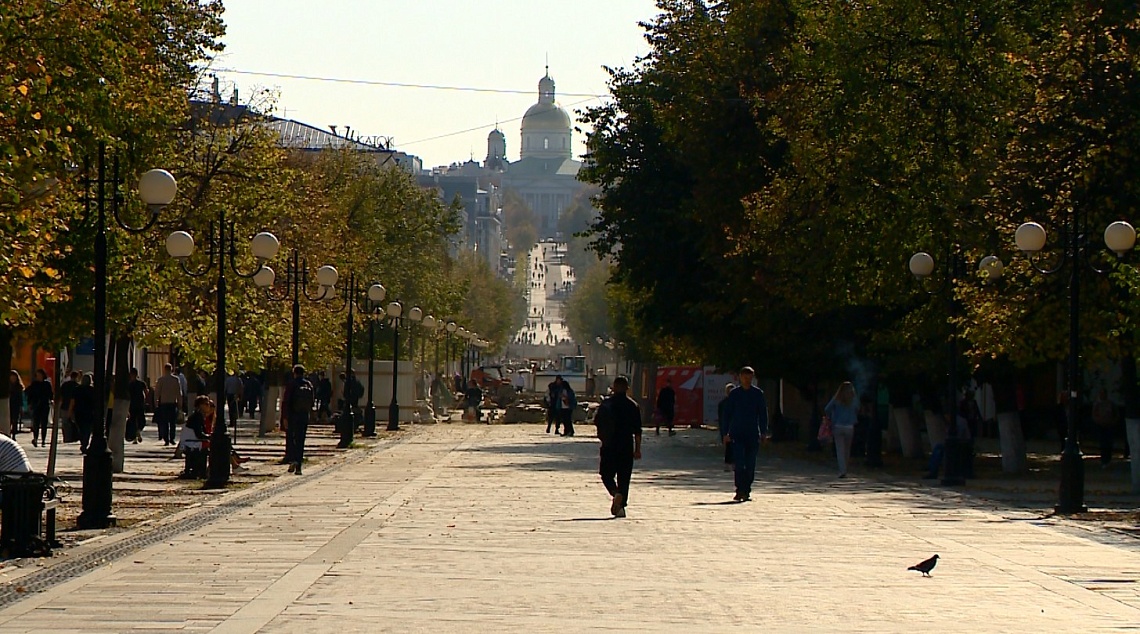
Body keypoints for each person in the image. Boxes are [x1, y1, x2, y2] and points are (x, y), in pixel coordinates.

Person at [595, 376, 642, 518]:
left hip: (609, 445)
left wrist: (602, 437)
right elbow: (638, 430)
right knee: (624, 477)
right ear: (627, 389)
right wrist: (637, 449)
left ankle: (615, 493)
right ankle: (620, 507)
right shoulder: (633, 405)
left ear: (614, 387)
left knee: (606, 474)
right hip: (626, 445)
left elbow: (598, 423)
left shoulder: (606, 404)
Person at [721, 366, 768, 502]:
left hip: (752, 434)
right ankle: (739, 489)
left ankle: (746, 489)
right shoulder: (735, 394)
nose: (747, 380)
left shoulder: (757, 394)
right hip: (737, 434)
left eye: (750, 377)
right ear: (740, 377)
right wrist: (725, 433)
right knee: (739, 463)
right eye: (745, 377)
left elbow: (763, 414)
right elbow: (727, 415)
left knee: (750, 464)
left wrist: (764, 431)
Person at [281, 364, 314, 475]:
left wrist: (285, 417)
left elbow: (286, 402)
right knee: (301, 440)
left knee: (292, 439)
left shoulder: (291, 384)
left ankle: (293, 460)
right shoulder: (308, 384)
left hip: (292, 416)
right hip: (304, 416)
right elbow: (312, 402)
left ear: (294, 372)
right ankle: (298, 465)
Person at [824, 382, 860, 478]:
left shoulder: (836, 398)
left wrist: (832, 416)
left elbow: (827, 408)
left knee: (840, 449)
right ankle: (845, 468)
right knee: (847, 449)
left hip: (838, 426)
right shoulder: (853, 399)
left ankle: (842, 470)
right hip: (849, 426)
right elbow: (858, 408)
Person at [179, 395, 210, 479]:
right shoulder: (197, 416)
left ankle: (234, 461)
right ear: (201, 405)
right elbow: (199, 434)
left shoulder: (198, 415)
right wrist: (209, 437)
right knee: (220, 445)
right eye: (206, 404)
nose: (208, 406)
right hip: (193, 441)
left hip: (192, 440)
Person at [154, 364, 183, 446]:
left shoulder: (161, 380)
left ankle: (166, 439)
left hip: (163, 403)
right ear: (171, 369)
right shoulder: (175, 379)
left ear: (164, 369)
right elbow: (179, 393)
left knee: (165, 422)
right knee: (172, 422)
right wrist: (180, 404)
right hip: (172, 403)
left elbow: (157, 393)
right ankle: (172, 438)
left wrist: (156, 403)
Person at [25, 369, 53, 448]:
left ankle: (43, 440)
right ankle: (35, 438)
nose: (39, 377)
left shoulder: (47, 384)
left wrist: (51, 400)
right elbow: (29, 393)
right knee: (36, 423)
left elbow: (50, 394)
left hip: (44, 405)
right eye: (37, 375)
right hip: (36, 406)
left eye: (40, 375)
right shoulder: (34, 384)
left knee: (44, 423)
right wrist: (30, 403)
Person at [71, 373, 96, 453]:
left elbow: (73, 401)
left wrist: (70, 411)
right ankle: (85, 443)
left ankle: (83, 443)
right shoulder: (92, 390)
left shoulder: (77, 389)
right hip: (89, 412)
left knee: (81, 428)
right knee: (87, 429)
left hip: (79, 412)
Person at [1092, 388, 1117, 467]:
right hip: (1101, 426)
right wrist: (1098, 421)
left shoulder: (1110, 403)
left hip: (1109, 426)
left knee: (1108, 443)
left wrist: (1113, 421)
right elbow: (1094, 415)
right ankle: (1104, 460)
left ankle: (1108, 459)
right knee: (1103, 444)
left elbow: (1116, 414)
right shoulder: (1097, 404)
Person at [58, 371, 79, 444]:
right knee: (73, 423)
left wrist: (58, 408)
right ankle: (73, 437)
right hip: (74, 408)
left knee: (65, 423)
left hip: (64, 407)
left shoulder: (65, 385)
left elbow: (60, 397)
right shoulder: (77, 386)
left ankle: (66, 438)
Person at [718, 383, 735, 471]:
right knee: (728, 447)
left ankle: (735, 463)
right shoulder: (723, 403)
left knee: (736, 446)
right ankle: (728, 463)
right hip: (727, 428)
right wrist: (723, 431)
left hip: (737, 427)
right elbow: (721, 418)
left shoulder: (738, 402)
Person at [127, 368, 147, 443]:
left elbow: (127, 395)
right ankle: (138, 431)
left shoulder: (129, 384)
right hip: (140, 404)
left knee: (132, 421)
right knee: (141, 420)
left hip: (132, 405)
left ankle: (135, 437)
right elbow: (146, 392)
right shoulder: (142, 383)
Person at [8, 370, 24, 436]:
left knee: (15, 420)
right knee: (9, 420)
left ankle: (14, 434)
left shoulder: (19, 387)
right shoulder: (7, 386)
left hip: (16, 405)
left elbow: (20, 398)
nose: (13, 379)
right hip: (8, 405)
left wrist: (21, 406)